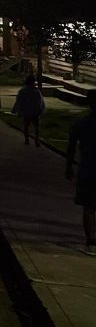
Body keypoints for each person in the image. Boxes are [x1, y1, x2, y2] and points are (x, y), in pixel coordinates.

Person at [65, 97, 96, 254]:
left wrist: (69, 165)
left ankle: (90, 239)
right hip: (88, 169)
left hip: (87, 169)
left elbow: (71, 145)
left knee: (89, 206)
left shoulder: (81, 123)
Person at [12, 75, 45, 146]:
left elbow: (19, 101)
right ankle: (36, 140)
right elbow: (40, 101)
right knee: (36, 126)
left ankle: (27, 139)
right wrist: (41, 110)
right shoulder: (36, 91)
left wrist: (16, 110)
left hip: (26, 111)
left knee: (26, 126)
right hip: (34, 111)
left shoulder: (22, 90)